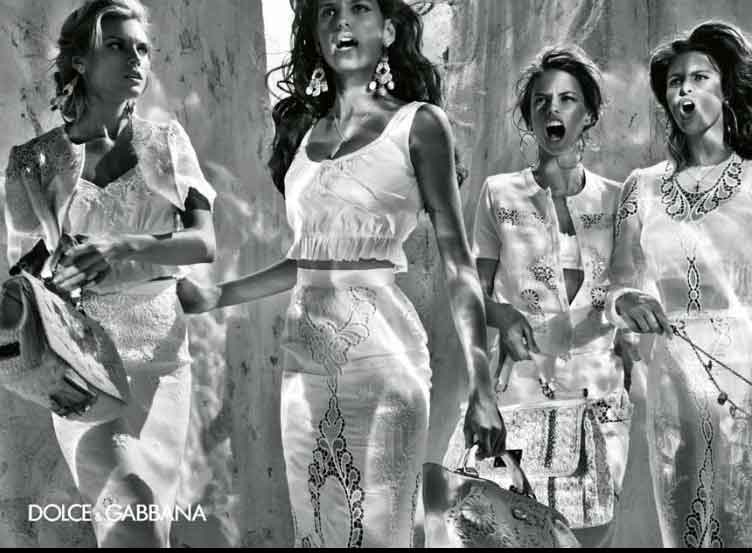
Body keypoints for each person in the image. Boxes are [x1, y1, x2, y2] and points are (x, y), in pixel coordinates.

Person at [176, 0, 505, 547]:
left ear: (389, 30)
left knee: (381, 535)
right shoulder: (303, 132)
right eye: (328, 11)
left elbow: (458, 262)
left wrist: (482, 386)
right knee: (314, 534)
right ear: (315, 34)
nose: (342, 22)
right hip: (303, 368)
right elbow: (308, 261)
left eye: (358, 8)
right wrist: (215, 296)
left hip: (385, 362)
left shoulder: (419, 124)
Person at [607, 21, 752, 547]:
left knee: (745, 535)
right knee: (682, 535)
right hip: (673, 382)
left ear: (725, 89)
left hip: (750, 377)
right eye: (674, 82)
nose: (684, 90)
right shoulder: (642, 187)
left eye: (699, 78)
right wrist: (624, 300)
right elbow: (615, 282)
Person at [2, 0, 217, 546]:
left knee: (148, 530)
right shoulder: (32, 161)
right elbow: (23, 278)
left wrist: (122, 246)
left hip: (164, 364)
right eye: (117, 46)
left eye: (142, 48)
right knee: (132, 513)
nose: (135, 59)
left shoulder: (166, 143)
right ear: (79, 61)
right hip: (81, 364)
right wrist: (52, 269)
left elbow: (204, 243)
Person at [471, 44, 636, 548]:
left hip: (599, 396)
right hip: (520, 393)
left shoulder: (617, 198)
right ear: (529, 117)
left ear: (589, 115)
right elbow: (472, 297)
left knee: (592, 536)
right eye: (540, 101)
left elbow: (630, 285)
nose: (552, 110)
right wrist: (502, 314)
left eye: (566, 99)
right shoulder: (499, 193)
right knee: (518, 536)